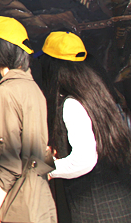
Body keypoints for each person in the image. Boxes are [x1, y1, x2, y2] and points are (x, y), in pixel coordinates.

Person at [0, 16, 56, 223]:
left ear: (1, 48)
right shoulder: (32, 88)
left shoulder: (7, 91)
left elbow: (9, 162)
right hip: (38, 201)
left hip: (14, 204)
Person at [38, 32, 131, 221]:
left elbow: (83, 160)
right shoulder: (97, 93)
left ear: (53, 66)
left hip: (96, 210)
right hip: (119, 205)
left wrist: (45, 167)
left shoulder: (72, 104)